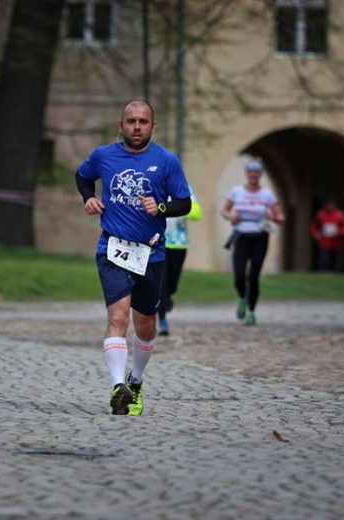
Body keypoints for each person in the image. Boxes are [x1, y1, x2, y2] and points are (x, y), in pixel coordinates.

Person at [75, 99, 191, 416]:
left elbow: (185, 203)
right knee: (117, 318)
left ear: (153, 126)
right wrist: (89, 198)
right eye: (131, 121)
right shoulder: (104, 156)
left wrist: (162, 207)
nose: (136, 127)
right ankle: (118, 388)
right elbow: (83, 176)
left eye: (142, 121)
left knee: (146, 327)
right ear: (121, 124)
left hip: (150, 254)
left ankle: (135, 381)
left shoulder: (167, 161)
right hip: (112, 248)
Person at [220, 160, 285, 326]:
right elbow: (224, 210)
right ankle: (243, 297)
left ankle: (252, 312)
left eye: (256, 172)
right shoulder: (237, 192)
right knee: (239, 276)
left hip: (260, 236)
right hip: (241, 236)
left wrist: (273, 217)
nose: (253, 175)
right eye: (251, 172)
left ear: (260, 174)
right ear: (247, 174)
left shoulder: (267, 195)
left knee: (254, 276)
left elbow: (281, 217)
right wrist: (230, 216)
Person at [157, 187, 203, 336]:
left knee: (172, 283)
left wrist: (177, 207)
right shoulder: (155, 183)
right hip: (158, 241)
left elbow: (196, 213)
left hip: (179, 242)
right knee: (161, 282)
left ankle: (168, 296)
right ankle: (162, 320)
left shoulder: (184, 188)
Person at [310, 197, 344, 271]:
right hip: (324, 241)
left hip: (335, 242)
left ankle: (331, 272)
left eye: (331, 205)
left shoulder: (340, 215)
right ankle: (323, 272)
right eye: (328, 205)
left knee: (333, 259)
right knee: (324, 259)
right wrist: (315, 234)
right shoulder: (321, 214)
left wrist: (340, 233)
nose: (329, 206)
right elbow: (314, 225)